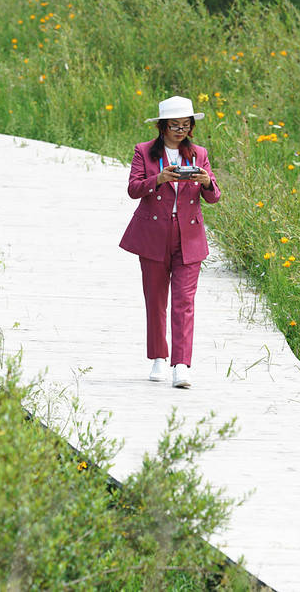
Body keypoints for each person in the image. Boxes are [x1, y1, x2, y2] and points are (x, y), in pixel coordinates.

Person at [118, 95, 222, 389]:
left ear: (191, 127)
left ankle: (181, 365)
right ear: (162, 127)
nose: (180, 130)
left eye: (185, 125)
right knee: (155, 300)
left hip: (188, 236)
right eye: (174, 125)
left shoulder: (199, 154)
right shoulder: (144, 152)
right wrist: (160, 178)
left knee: (184, 302)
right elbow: (133, 190)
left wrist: (206, 182)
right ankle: (158, 358)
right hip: (153, 235)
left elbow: (213, 197)